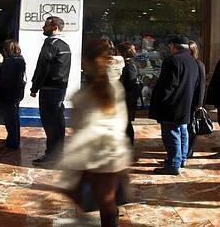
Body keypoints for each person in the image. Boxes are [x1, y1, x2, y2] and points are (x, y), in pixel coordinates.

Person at [57, 40, 131, 226]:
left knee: (100, 201)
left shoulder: (85, 96)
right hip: (112, 156)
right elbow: (119, 124)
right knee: (106, 203)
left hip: (97, 157)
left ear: (85, 62)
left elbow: (85, 131)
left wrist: (67, 163)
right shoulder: (115, 89)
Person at [149, 35, 202, 175]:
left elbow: (168, 85)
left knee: (171, 134)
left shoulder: (173, 60)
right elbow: (195, 85)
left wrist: (160, 101)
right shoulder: (193, 61)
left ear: (173, 46)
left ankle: (173, 164)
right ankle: (181, 159)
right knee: (182, 133)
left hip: (171, 105)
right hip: (185, 105)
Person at [30, 16, 72, 166]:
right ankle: (58, 153)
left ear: (54, 28)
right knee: (58, 121)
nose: (43, 28)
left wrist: (34, 87)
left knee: (50, 123)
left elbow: (43, 67)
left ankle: (52, 155)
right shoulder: (64, 45)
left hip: (49, 89)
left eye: (46, 25)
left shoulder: (50, 44)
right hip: (60, 88)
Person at [0, 40, 26, 149]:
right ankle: (13, 140)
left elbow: (6, 80)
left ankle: (12, 142)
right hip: (17, 93)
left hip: (8, 94)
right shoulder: (20, 59)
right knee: (14, 118)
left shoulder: (9, 62)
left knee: (10, 119)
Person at [117, 41, 141, 146]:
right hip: (129, 97)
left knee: (126, 123)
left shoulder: (130, 65)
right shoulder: (132, 63)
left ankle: (128, 145)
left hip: (128, 98)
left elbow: (130, 83)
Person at [185, 40, 206, 159]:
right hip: (183, 100)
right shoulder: (183, 63)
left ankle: (189, 149)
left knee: (191, 126)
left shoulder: (199, 65)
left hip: (193, 101)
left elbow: (202, 85)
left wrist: (199, 103)